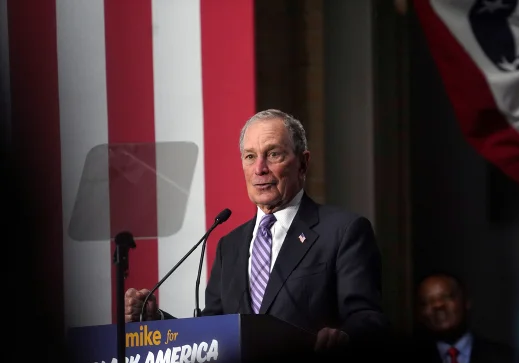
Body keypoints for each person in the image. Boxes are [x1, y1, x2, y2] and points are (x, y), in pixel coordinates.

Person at [124, 109, 389, 349]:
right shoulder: (230, 245)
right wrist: (155, 319)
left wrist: (345, 338)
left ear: (303, 163)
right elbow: (210, 333)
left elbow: (367, 318)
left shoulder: (343, 232)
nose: (259, 169)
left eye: (273, 154)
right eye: (250, 157)